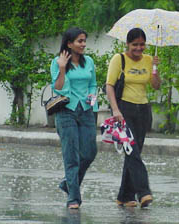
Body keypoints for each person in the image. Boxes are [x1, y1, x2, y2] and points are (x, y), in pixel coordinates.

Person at [105, 27, 161, 208]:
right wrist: (115, 110)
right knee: (132, 151)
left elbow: (156, 86)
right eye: (135, 45)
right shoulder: (118, 59)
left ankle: (124, 195)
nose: (139, 48)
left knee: (135, 151)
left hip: (143, 110)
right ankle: (144, 191)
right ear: (127, 44)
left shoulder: (148, 59)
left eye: (142, 44)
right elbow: (109, 86)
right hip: (124, 109)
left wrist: (155, 68)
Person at [50, 27, 98, 209]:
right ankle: (74, 198)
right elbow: (59, 89)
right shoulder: (57, 62)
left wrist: (92, 96)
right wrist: (62, 68)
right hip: (66, 111)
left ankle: (68, 184)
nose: (83, 44)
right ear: (69, 44)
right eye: (80, 41)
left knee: (90, 152)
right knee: (71, 156)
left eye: (84, 40)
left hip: (86, 110)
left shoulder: (89, 62)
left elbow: (93, 83)